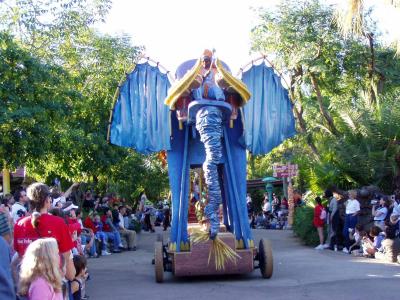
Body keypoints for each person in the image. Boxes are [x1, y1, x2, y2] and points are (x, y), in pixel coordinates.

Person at [13, 182, 75, 281]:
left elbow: (20, 256)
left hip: (27, 283)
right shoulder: (58, 223)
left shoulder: (19, 224)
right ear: (47, 200)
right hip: (53, 282)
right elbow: (66, 258)